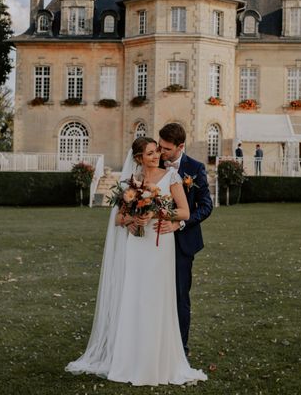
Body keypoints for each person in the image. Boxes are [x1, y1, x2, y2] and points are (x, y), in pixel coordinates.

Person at [65, 137, 207, 386]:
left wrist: (157, 212)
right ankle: (129, 358)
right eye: (151, 153)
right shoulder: (130, 181)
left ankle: (158, 360)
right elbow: (119, 219)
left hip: (160, 244)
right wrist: (132, 221)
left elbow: (184, 211)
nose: (156, 156)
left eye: (157, 152)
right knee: (134, 296)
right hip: (137, 246)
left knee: (157, 299)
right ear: (139, 157)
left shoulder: (171, 176)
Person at [156, 123, 213, 357]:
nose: (161, 153)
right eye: (159, 147)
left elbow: (206, 206)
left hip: (182, 243)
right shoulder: (153, 164)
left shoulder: (195, 168)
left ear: (180, 147)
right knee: (154, 293)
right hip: (155, 241)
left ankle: (181, 348)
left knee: (180, 296)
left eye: (166, 149)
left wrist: (180, 222)